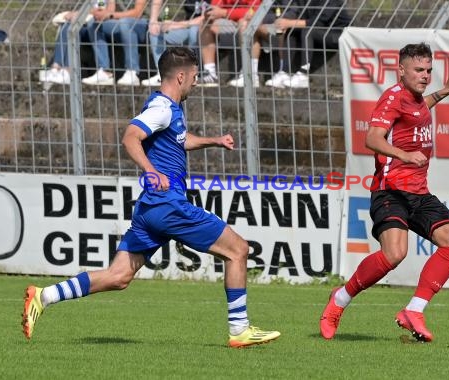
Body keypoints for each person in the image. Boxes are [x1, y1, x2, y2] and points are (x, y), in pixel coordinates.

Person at [22, 46, 281, 349]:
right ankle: (239, 330)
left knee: (118, 276)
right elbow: (131, 136)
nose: (196, 82)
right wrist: (150, 169)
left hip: (150, 209)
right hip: (167, 204)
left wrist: (213, 140)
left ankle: (44, 296)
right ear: (181, 76)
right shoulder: (161, 109)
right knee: (238, 249)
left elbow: (180, 141)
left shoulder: (169, 109)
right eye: (195, 76)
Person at [319, 43, 449, 342]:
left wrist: (445, 92)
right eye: (418, 70)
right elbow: (372, 138)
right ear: (401, 70)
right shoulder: (392, 98)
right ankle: (339, 300)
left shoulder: (416, 99)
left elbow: (421, 108)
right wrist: (403, 154)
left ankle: (414, 310)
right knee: (395, 253)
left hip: (419, 193)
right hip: (390, 191)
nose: (425, 76)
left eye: (428, 70)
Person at [267, 0, 352, 89]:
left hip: (340, 35)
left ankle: (303, 75)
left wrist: (288, 23)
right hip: (322, 31)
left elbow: (317, 22)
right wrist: (283, 24)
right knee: (291, 30)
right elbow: (299, 18)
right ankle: (284, 72)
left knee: (307, 31)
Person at [82, 0, 149, 86]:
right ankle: (104, 72)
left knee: (125, 23)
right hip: (119, 22)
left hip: (141, 24)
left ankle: (132, 71)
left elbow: (137, 13)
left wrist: (111, 15)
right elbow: (109, 8)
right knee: (94, 23)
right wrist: (101, 14)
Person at [142, 0, 204, 87]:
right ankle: (162, 74)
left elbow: (206, 17)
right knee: (154, 30)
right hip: (178, 29)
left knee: (194, 33)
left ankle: (193, 74)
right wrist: (154, 21)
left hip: (195, 27)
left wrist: (176, 24)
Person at [198, 0, 260, 87]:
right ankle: (210, 73)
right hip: (230, 20)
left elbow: (253, 13)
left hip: (251, 22)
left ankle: (250, 75)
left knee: (245, 23)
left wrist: (224, 12)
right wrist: (211, 14)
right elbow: (214, 9)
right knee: (205, 24)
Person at [39, 10, 93, 85]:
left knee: (74, 28)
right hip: (83, 21)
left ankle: (67, 70)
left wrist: (79, 14)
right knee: (67, 26)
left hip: (92, 27)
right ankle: (56, 67)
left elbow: (102, 11)